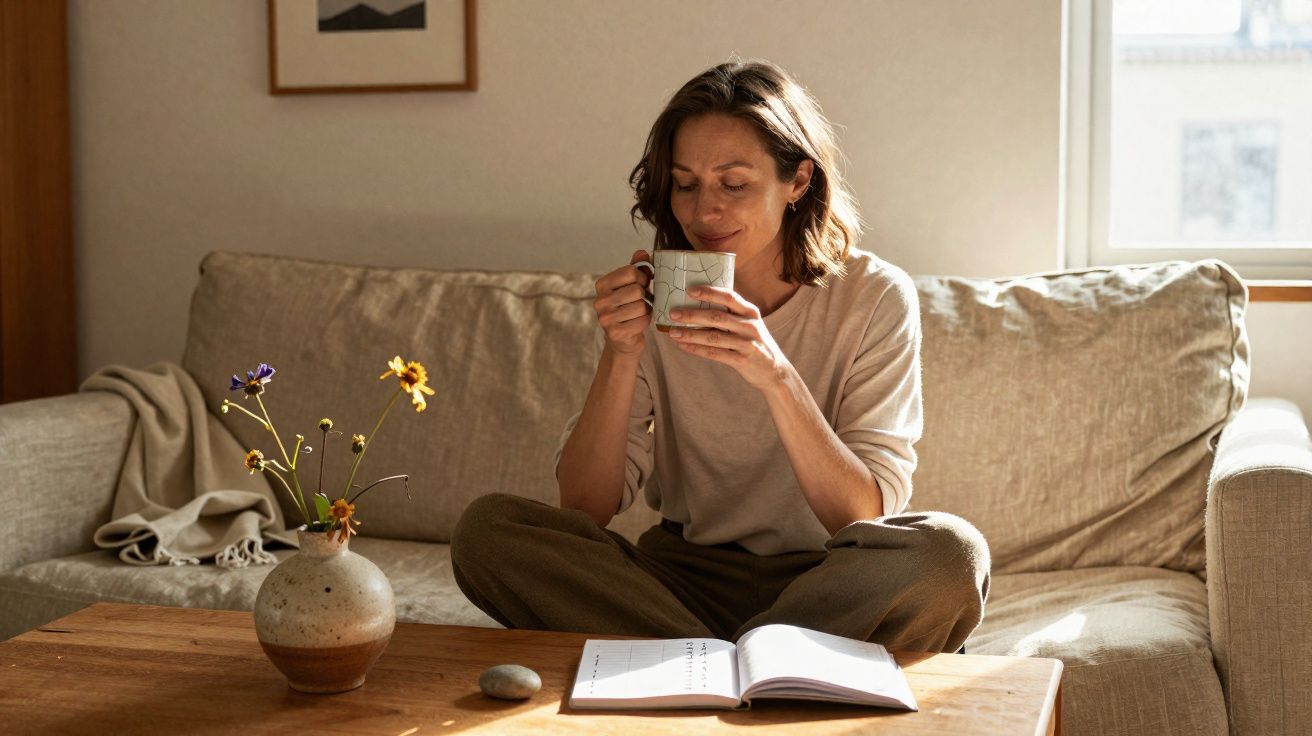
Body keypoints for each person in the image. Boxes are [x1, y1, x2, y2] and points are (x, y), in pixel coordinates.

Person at [451, 59, 990, 653]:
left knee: (950, 554)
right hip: (681, 577)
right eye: (685, 184)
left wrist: (777, 377)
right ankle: (764, 661)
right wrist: (621, 353)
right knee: (489, 530)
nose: (704, 212)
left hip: (828, 579)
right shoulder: (658, 293)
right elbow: (585, 507)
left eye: (734, 184)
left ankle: (698, 659)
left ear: (799, 182)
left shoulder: (874, 297)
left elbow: (863, 515)